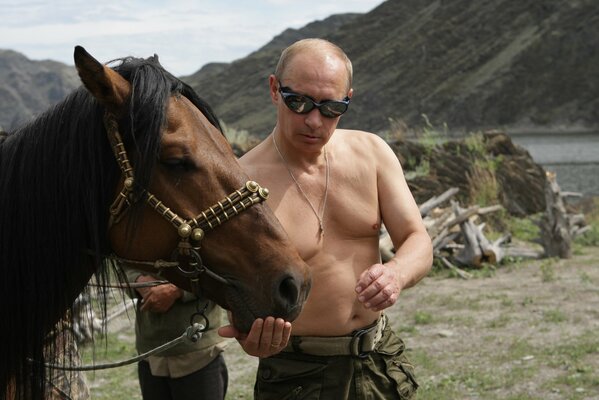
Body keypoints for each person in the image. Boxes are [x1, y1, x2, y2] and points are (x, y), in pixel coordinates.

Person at [234, 38, 434, 399]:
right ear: (274, 89)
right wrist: (251, 337)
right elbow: (236, 291)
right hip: (297, 374)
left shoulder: (371, 153)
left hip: (379, 361)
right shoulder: (243, 182)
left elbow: (416, 238)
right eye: (299, 102)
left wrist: (396, 274)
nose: (314, 120)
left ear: (348, 99)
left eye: (331, 108)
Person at [125, 269, 229, 400]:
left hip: (199, 355)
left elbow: (221, 271)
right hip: (150, 354)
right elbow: (122, 265)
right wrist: (138, 280)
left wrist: (176, 289)